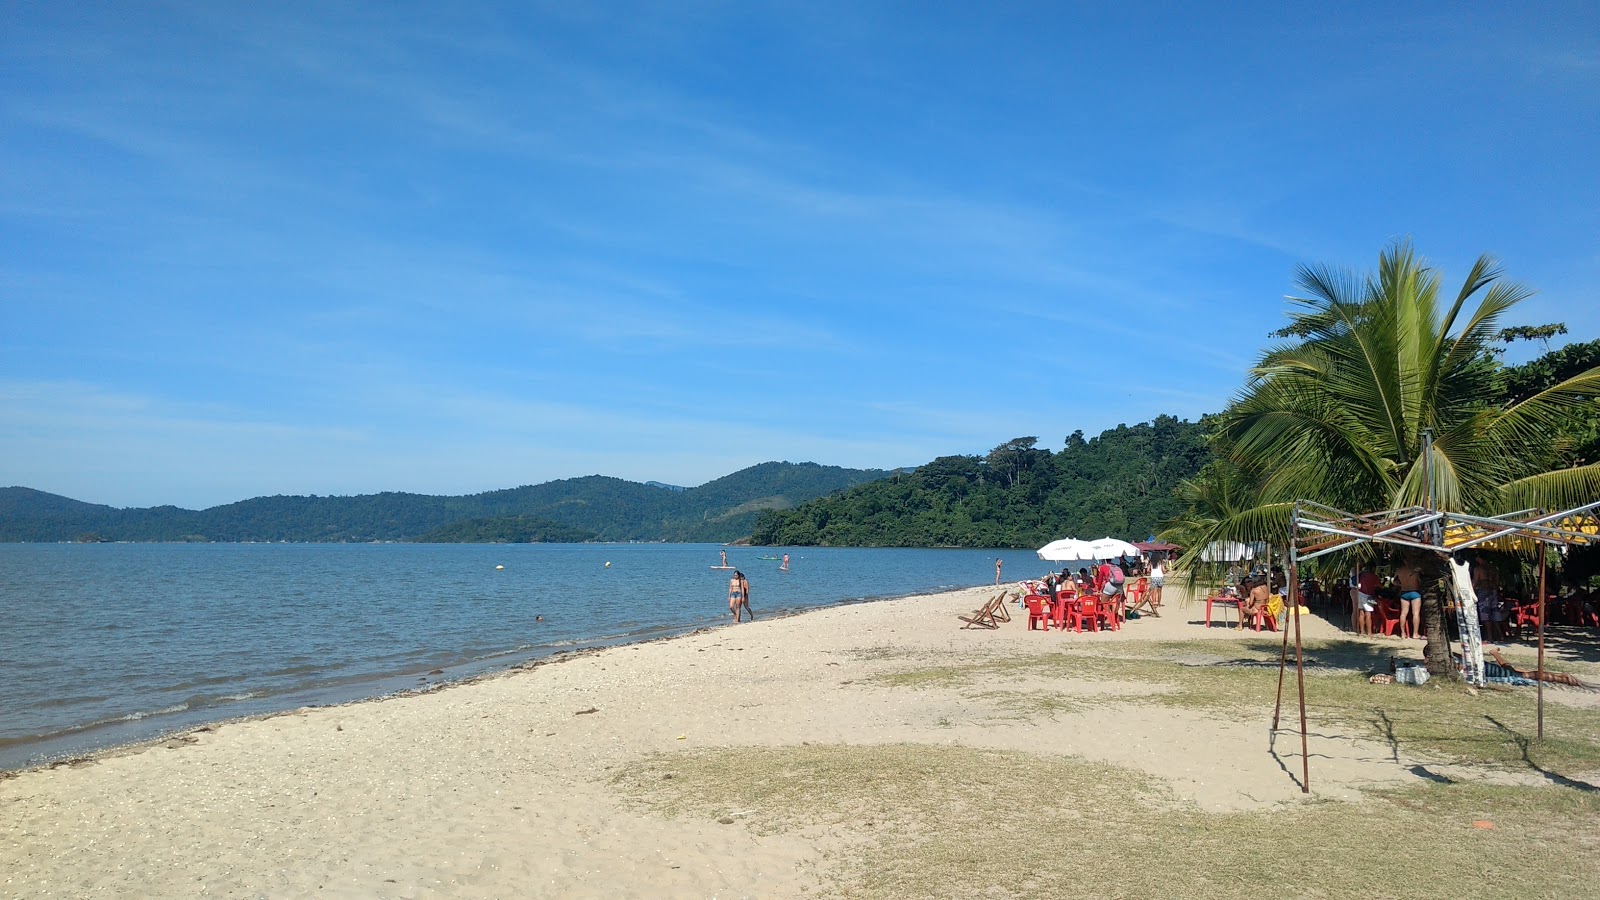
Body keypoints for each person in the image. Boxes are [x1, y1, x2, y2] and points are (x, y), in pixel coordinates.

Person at [1395, 560, 1423, 640]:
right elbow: (1420, 581)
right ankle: (1415, 634)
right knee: (1416, 613)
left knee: (1403, 613)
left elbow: (1394, 582)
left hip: (1404, 592)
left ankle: (1403, 633)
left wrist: (1401, 584)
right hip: (1415, 592)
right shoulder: (1415, 570)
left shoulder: (1399, 570)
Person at [1355, 565, 1380, 637]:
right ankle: (1369, 632)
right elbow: (1380, 585)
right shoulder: (1374, 576)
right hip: (1367, 595)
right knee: (1368, 614)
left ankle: (1362, 631)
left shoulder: (1363, 575)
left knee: (1361, 613)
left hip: (1360, 593)